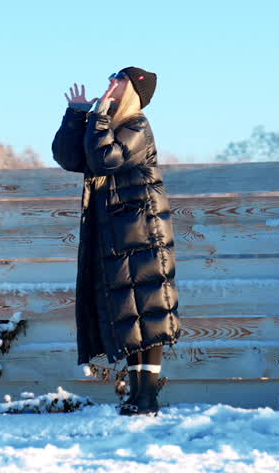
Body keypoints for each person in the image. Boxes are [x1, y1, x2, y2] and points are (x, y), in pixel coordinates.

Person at [51, 67, 180, 416]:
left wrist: (99, 119)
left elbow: (106, 159)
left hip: (143, 233)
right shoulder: (107, 125)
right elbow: (71, 158)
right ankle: (137, 396)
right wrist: (78, 116)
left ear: (134, 90)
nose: (110, 85)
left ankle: (147, 397)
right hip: (117, 234)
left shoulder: (137, 126)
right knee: (129, 316)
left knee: (149, 314)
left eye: (118, 80)